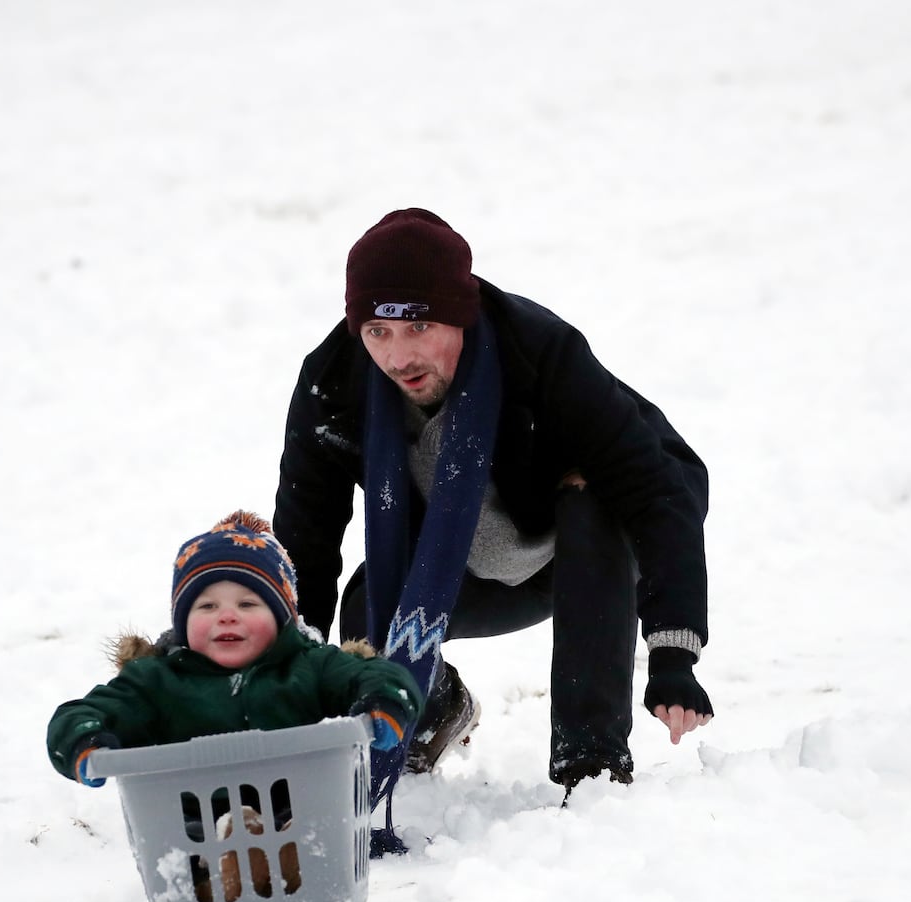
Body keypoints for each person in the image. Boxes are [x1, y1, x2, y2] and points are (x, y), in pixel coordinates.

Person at [272, 208, 713, 802]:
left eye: (419, 327)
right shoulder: (332, 386)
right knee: (366, 611)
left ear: (459, 313)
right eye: (378, 333)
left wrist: (672, 653)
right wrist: (283, 669)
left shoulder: (540, 352)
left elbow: (655, 492)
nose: (399, 357)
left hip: (590, 542)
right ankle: (432, 712)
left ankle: (593, 767)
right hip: (459, 561)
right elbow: (307, 534)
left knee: (593, 502)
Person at [46, 509, 420, 788]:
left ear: (281, 619)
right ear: (181, 623)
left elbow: (377, 675)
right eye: (207, 606)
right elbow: (85, 713)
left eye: (247, 605)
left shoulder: (311, 666)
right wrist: (84, 737)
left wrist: (383, 700)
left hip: (307, 828)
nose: (226, 617)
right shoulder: (156, 681)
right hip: (192, 843)